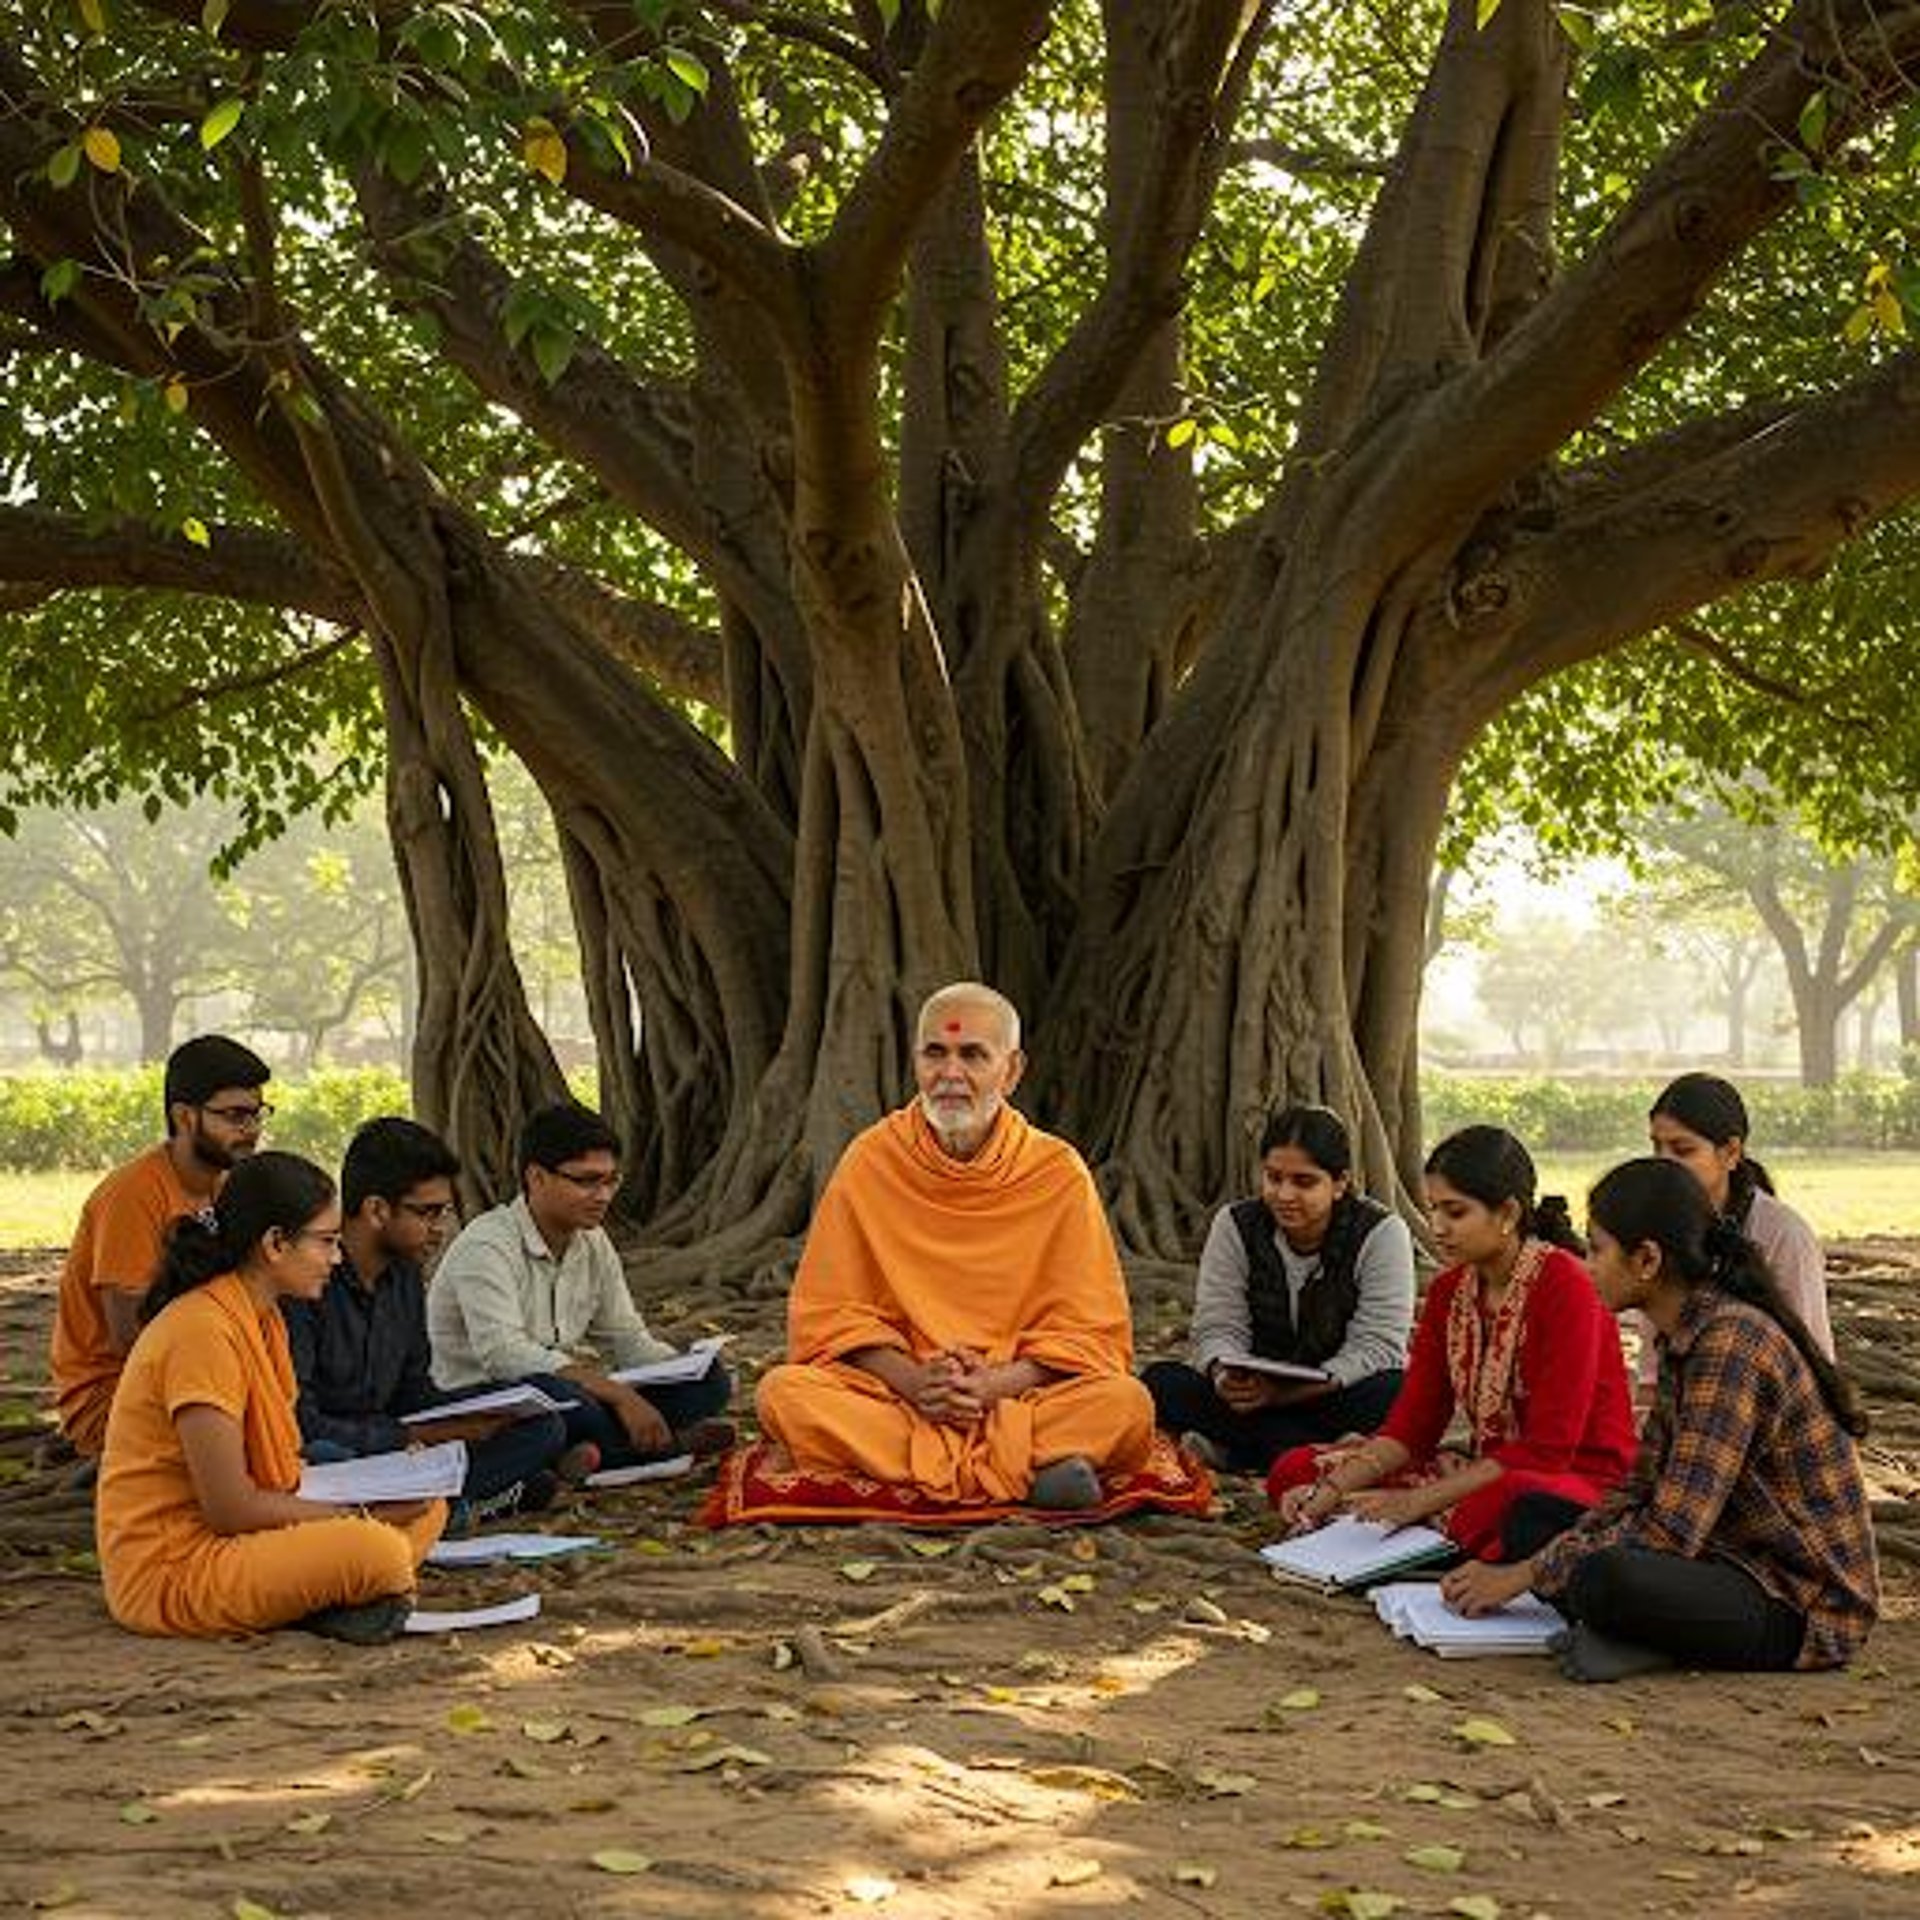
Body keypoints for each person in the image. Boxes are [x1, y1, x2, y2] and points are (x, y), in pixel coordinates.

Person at [1441, 1157, 1877, 1682]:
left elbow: (1671, 1533)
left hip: (1797, 1600)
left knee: (1605, 1576)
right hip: (1722, 1555)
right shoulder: (1683, 1335)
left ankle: (1648, 1637)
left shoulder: (1729, 1343)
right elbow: (1640, 1488)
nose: (1587, 1266)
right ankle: (1633, 1633)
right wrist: (1540, 1558)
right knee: (1532, 1517)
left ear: (1646, 1259)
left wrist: (1523, 1574)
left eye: (1598, 1249)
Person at [755, 982, 1154, 1511]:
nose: (950, 1074)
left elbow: (1087, 1335)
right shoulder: (872, 1161)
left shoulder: (1056, 1172)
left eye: (972, 1055)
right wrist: (919, 1383)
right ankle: (1023, 1474)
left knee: (1126, 1404)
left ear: (1011, 1072)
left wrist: (991, 1387)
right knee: (785, 1393)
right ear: (915, 1061)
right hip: (904, 1394)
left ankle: (923, 1471)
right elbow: (832, 1317)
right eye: (935, 1053)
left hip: (1017, 1393)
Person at [96, 1151, 444, 1642]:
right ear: (276, 1244)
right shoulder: (202, 1330)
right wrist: (359, 1514)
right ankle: (334, 1588)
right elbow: (229, 1509)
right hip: (175, 1568)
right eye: (325, 1243)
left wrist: (382, 1488)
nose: (337, 1258)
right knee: (378, 1551)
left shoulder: (266, 1319)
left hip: (245, 1538)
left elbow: (280, 1471)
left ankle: (323, 1593)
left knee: (429, 1504)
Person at [1269, 1125, 1635, 1560]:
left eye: (1455, 1213)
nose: (1437, 1228)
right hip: (1484, 1467)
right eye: (1433, 1210)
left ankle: (1405, 1531)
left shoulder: (1566, 1285)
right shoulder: (1448, 1292)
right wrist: (1329, 1490)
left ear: (1507, 1214)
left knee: (1507, 1506)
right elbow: (1411, 1429)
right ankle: (1383, 1529)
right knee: (1294, 1470)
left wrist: (1419, 1501)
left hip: (1572, 1476)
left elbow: (1549, 1450)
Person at [283, 1117, 583, 1532]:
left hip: (401, 1447)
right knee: (327, 1456)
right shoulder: (308, 1282)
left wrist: (476, 1418)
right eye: (427, 1212)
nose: (440, 1228)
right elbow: (298, 1420)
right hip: (343, 1450)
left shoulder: (405, 1276)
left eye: (444, 1211)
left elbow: (413, 1390)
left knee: (542, 1416)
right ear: (376, 1209)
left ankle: (439, 1505)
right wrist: (416, 1436)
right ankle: (459, 1505)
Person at [426, 1101, 733, 1470]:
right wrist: (618, 1395)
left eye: (610, 1181)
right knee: (560, 1399)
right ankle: (661, 1447)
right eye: (586, 1181)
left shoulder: (593, 1242)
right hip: (489, 1399)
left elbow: (627, 1338)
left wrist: (680, 1368)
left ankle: (594, 1453)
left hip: (570, 1389)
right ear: (536, 1177)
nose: (602, 1195)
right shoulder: (487, 1245)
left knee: (710, 1382)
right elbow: (504, 1355)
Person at [1142, 1104, 1414, 1472]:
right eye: (1273, 1177)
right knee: (1161, 1383)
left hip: (1334, 1392)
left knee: (1396, 1393)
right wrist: (1225, 1377)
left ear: (1339, 1184)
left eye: (1304, 1182)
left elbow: (1377, 1348)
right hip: (1250, 1396)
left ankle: (1244, 1450)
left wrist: (1287, 1394)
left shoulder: (1381, 1233)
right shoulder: (1235, 1224)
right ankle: (1308, 1451)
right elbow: (1217, 1326)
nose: (1284, 1194)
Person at [51, 1034, 272, 1460]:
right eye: (236, 1116)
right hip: (116, 1395)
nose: (252, 1129)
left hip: (200, 1373)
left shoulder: (229, 1184)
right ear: (185, 1117)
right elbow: (129, 1337)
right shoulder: (132, 1196)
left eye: (258, 1113)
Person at [1640, 1071, 1832, 1371]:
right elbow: (1652, 1361)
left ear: (1731, 1152)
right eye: (1657, 1148)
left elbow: (1813, 1359)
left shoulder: (1784, 1235)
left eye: (1682, 1150)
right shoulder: (1658, 1230)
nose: (1665, 1164)